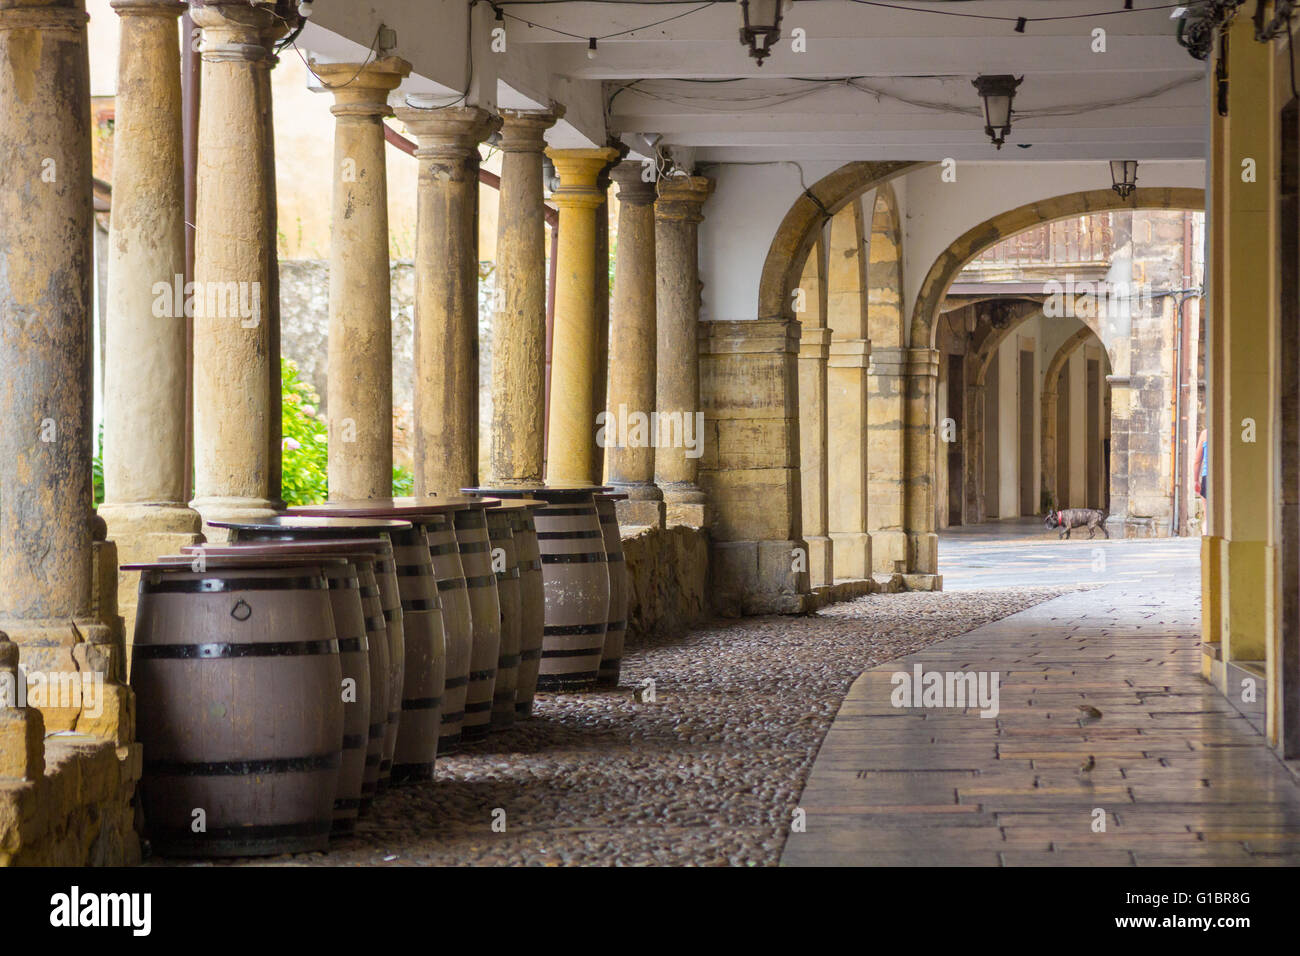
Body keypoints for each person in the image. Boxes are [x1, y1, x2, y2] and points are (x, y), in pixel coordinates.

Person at [1193, 427, 1208, 500]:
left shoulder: (1205, 434)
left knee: (1207, 510)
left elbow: (1197, 461)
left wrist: (1196, 480)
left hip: (1208, 477)